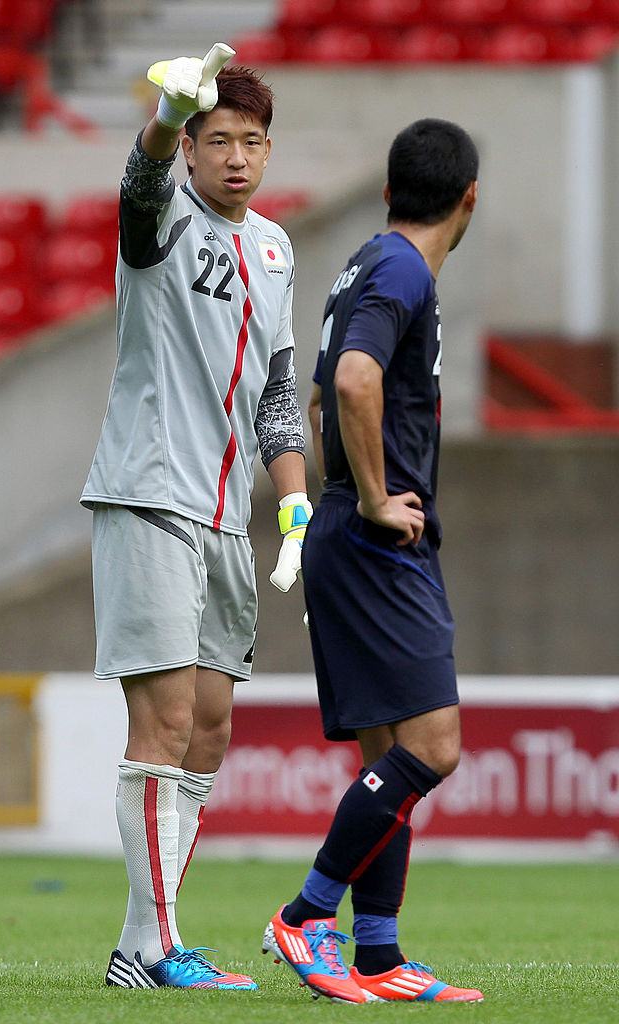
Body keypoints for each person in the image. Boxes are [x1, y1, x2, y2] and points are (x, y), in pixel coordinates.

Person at [81, 44, 312, 992]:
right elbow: (137, 185)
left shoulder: (276, 247)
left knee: (210, 728)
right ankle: (155, 948)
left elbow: (278, 392)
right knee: (165, 721)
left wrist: (294, 495)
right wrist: (165, 113)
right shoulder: (163, 217)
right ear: (192, 148)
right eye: (216, 139)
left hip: (226, 518)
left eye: (251, 141)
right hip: (148, 492)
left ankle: (142, 944)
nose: (235, 158)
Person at [262, 118, 483, 1004]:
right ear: (470, 198)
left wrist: (347, 495)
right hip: (377, 537)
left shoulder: (362, 261)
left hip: (346, 530)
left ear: (391, 190)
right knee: (434, 747)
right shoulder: (402, 269)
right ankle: (307, 914)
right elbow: (351, 383)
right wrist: (382, 498)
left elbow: (317, 397)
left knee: (388, 752)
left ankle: (380, 955)